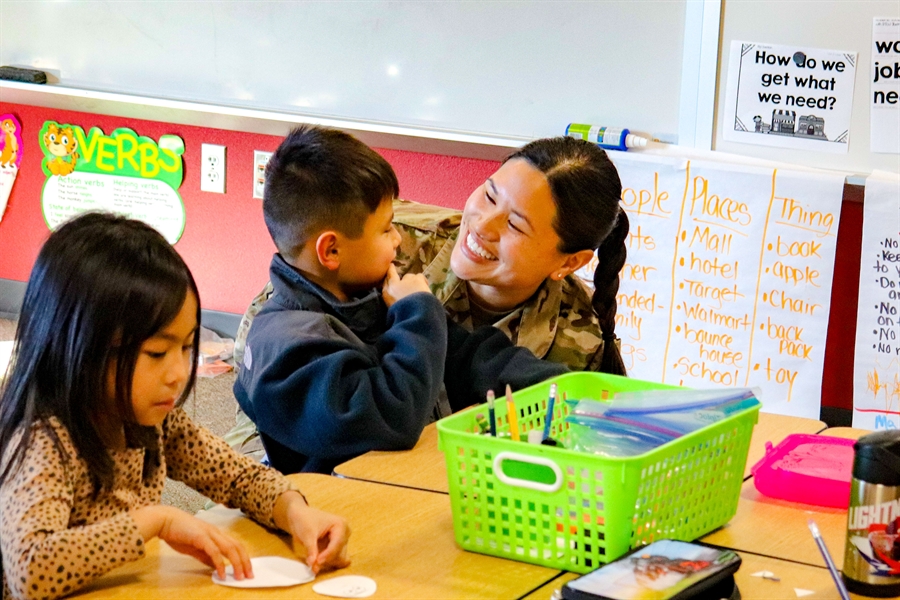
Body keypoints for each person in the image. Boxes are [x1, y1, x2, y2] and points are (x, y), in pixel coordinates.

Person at [0, 213, 350, 600]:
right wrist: (156, 521)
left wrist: (295, 512)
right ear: (80, 349)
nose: (179, 373)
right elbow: (30, 573)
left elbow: (237, 477)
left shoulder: (153, 419)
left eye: (186, 346)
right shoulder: (41, 442)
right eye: (156, 353)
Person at [226, 134, 627, 462]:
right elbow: (385, 415)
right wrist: (416, 314)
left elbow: (467, 355)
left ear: (570, 262)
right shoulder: (357, 263)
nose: (483, 225)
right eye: (489, 196)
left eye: (515, 225)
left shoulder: (579, 332)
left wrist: (577, 393)